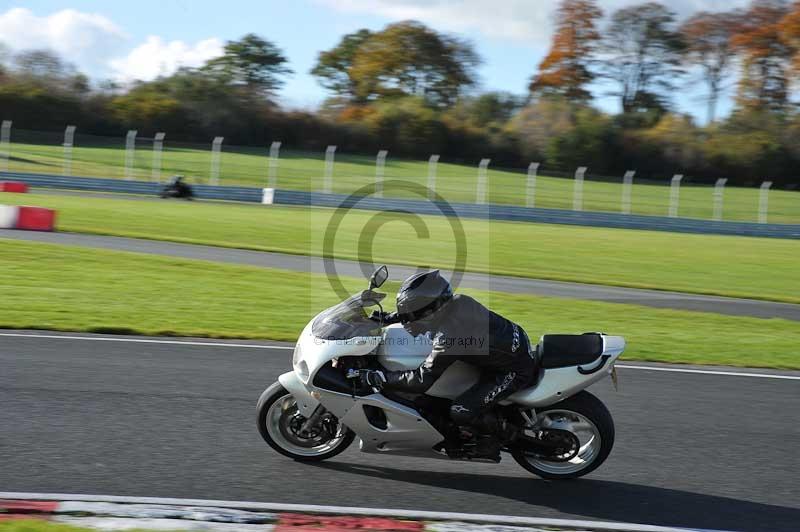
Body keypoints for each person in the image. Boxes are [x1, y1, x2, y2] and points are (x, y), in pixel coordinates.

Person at [363, 270, 540, 460]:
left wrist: (380, 377)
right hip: (509, 346)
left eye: (412, 312)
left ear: (432, 310)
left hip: (513, 369)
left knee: (461, 410)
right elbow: (422, 315)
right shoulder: (457, 302)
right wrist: (386, 318)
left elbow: (421, 380)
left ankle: (500, 439)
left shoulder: (449, 337)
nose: (408, 318)